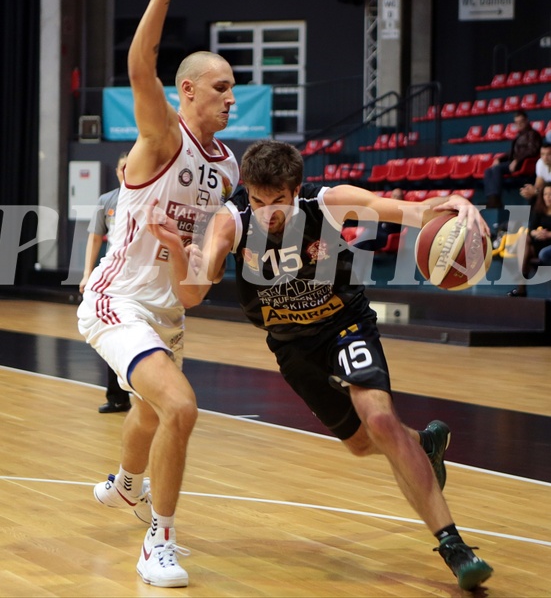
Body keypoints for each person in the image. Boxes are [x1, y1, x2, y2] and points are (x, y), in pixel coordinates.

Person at [148, 140, 494, 591]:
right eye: (257, 201)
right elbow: (197, 289)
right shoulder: (229, 222)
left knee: (380, 420)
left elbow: (408, 210)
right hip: (292, 348)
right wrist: (183, 252)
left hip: (344, 326)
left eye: (277, 202)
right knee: (360, 443)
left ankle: (454, 547)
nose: (267, 212)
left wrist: (455, 206)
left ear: (296, 191)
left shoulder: (326, 203)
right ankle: (424, 446)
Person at [77, 0, 239, 589]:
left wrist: (187, 259)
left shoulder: (226, 170)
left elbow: (198, 284)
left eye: (234, 87)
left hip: (168, 309)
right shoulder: (162, 137)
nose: (231, 97)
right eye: (221, 86)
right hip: (117, 301)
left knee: (148, 415)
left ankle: (124, 485)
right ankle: (158, 544)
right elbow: (139, 64)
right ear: (189, 91)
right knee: (181, 408)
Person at [79, 152, 131, 414]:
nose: (127, 171)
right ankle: (118, 397)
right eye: (123, 167)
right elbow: (95, 238)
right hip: (114, 278)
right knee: (114, 335)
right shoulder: (107, 200)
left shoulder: (149, 198)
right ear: (118, 171)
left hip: (142, 279)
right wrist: (87, 273)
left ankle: (148, 396)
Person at [484, 110, 542, 208]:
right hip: (515, 162)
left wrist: (517, 160)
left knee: (497, 169)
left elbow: (533, 150)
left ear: (527, 121)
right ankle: (491, 198)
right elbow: (511, 152)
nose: (519, 124)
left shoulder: (533, 134)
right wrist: (499, 159)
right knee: (488, 170)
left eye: (521, 122)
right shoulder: (519, 135)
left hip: (523, 163)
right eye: (517, 122)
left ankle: (495, 200)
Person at [507, 182, 551, 297]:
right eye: (545, 194)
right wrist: (536, 232)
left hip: (549, 246)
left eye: (550, 194)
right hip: (538, 244)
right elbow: (531, 229)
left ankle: (521, 281)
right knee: (524, 238)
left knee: (536, 252)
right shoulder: (539, 209)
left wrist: (548, 235)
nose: (548, 197)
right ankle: (521, 286)